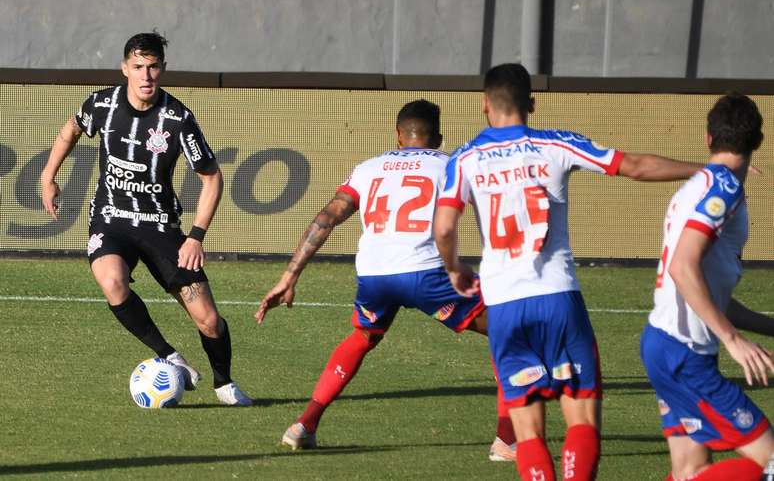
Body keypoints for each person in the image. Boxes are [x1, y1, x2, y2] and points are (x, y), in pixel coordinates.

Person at [433, 63, 704, 480]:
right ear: (533, 104)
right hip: (559, 298)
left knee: (528, 434)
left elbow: (445, 227)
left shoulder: (465, 158)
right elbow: (633, 165)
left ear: (485, 106)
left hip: (505, 306)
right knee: (580, 420)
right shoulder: (557, 144)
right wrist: (701, 170)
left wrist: (454, 269)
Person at [256, 99, 516, 459]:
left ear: (397, 135)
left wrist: (290, 275)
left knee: (364, 335)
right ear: (438, 137)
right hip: (427, 274)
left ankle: (304, 425)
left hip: (374, 276)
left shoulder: (368, 168)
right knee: (508, 329)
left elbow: (327, 218)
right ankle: (507, 440)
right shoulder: (452, 165)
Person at [39, 31, 251, 406]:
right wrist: (48, 177)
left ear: (162, 69)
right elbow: (71, 130)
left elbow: (212, 177)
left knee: (208, 320)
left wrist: (196, 236)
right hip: (111, 219)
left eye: (153, 67)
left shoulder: (178, 118)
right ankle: (170, 356)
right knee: (112, 282)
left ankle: (224, 383)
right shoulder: (102, 104)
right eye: (138, 67)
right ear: (125, 69)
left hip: (160, 226)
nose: (146, 75)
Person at [640, 93, 774, 481]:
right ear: (758, 142)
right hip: (684, 354)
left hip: (663, 344)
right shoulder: (724, 189)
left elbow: (711, 297)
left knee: (690, 470)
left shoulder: (699, 184)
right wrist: (733, 340)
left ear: (708, 139)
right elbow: (684, 267)